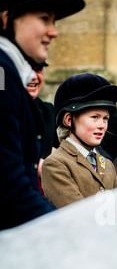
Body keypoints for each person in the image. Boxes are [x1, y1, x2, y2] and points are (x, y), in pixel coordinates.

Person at [0, 0, 85, 230]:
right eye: (44, 19)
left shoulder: (8, 74)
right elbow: (10, 188)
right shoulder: (2, 75)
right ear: (8, 18)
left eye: (54, 21)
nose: (54, 31)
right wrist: (68, 230)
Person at [41, 72, 117, 208]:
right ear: (69, 120)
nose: (102, 125)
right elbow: (78, 216)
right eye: (94, 117)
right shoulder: (55, 164)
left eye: (105, 118)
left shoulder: (107, 164)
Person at [25, 61, 59, 191]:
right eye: (27, 70)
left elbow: (72, 142)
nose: (33, 77)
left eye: (38, 70)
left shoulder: (47, 111)